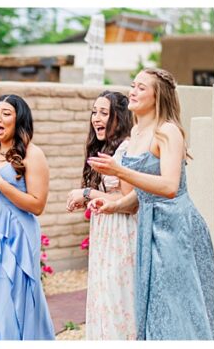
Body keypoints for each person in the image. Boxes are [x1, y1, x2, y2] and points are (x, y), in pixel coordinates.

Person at [87, 68, 214, 340]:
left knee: (177, 306)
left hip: (175, 228)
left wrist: (119, 171)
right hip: (148, 225)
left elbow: (169, 186)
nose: (132, 91)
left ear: (158, 96)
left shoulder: (168, 131)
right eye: (133, 85)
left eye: (141, 87)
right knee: (154, 304)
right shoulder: (135, 132)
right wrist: (115, 204)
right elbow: (145, 187)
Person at [0, 94, 55, 340]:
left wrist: (0, 184)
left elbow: (38, 205)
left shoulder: (32, 154)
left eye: (6, 113)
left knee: (11, 298)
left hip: (18, 238)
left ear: (19, 121)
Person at [64, 91, 137, 340]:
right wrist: (90, 198)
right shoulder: (109, 148)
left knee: (117, 300)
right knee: (104, 300)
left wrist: (87, 193)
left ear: (120, 116)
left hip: (122, 236)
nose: (96, 118)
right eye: (94, 112)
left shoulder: (127, 149)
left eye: (104, 113)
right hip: (106, 234)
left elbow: (130, 203)